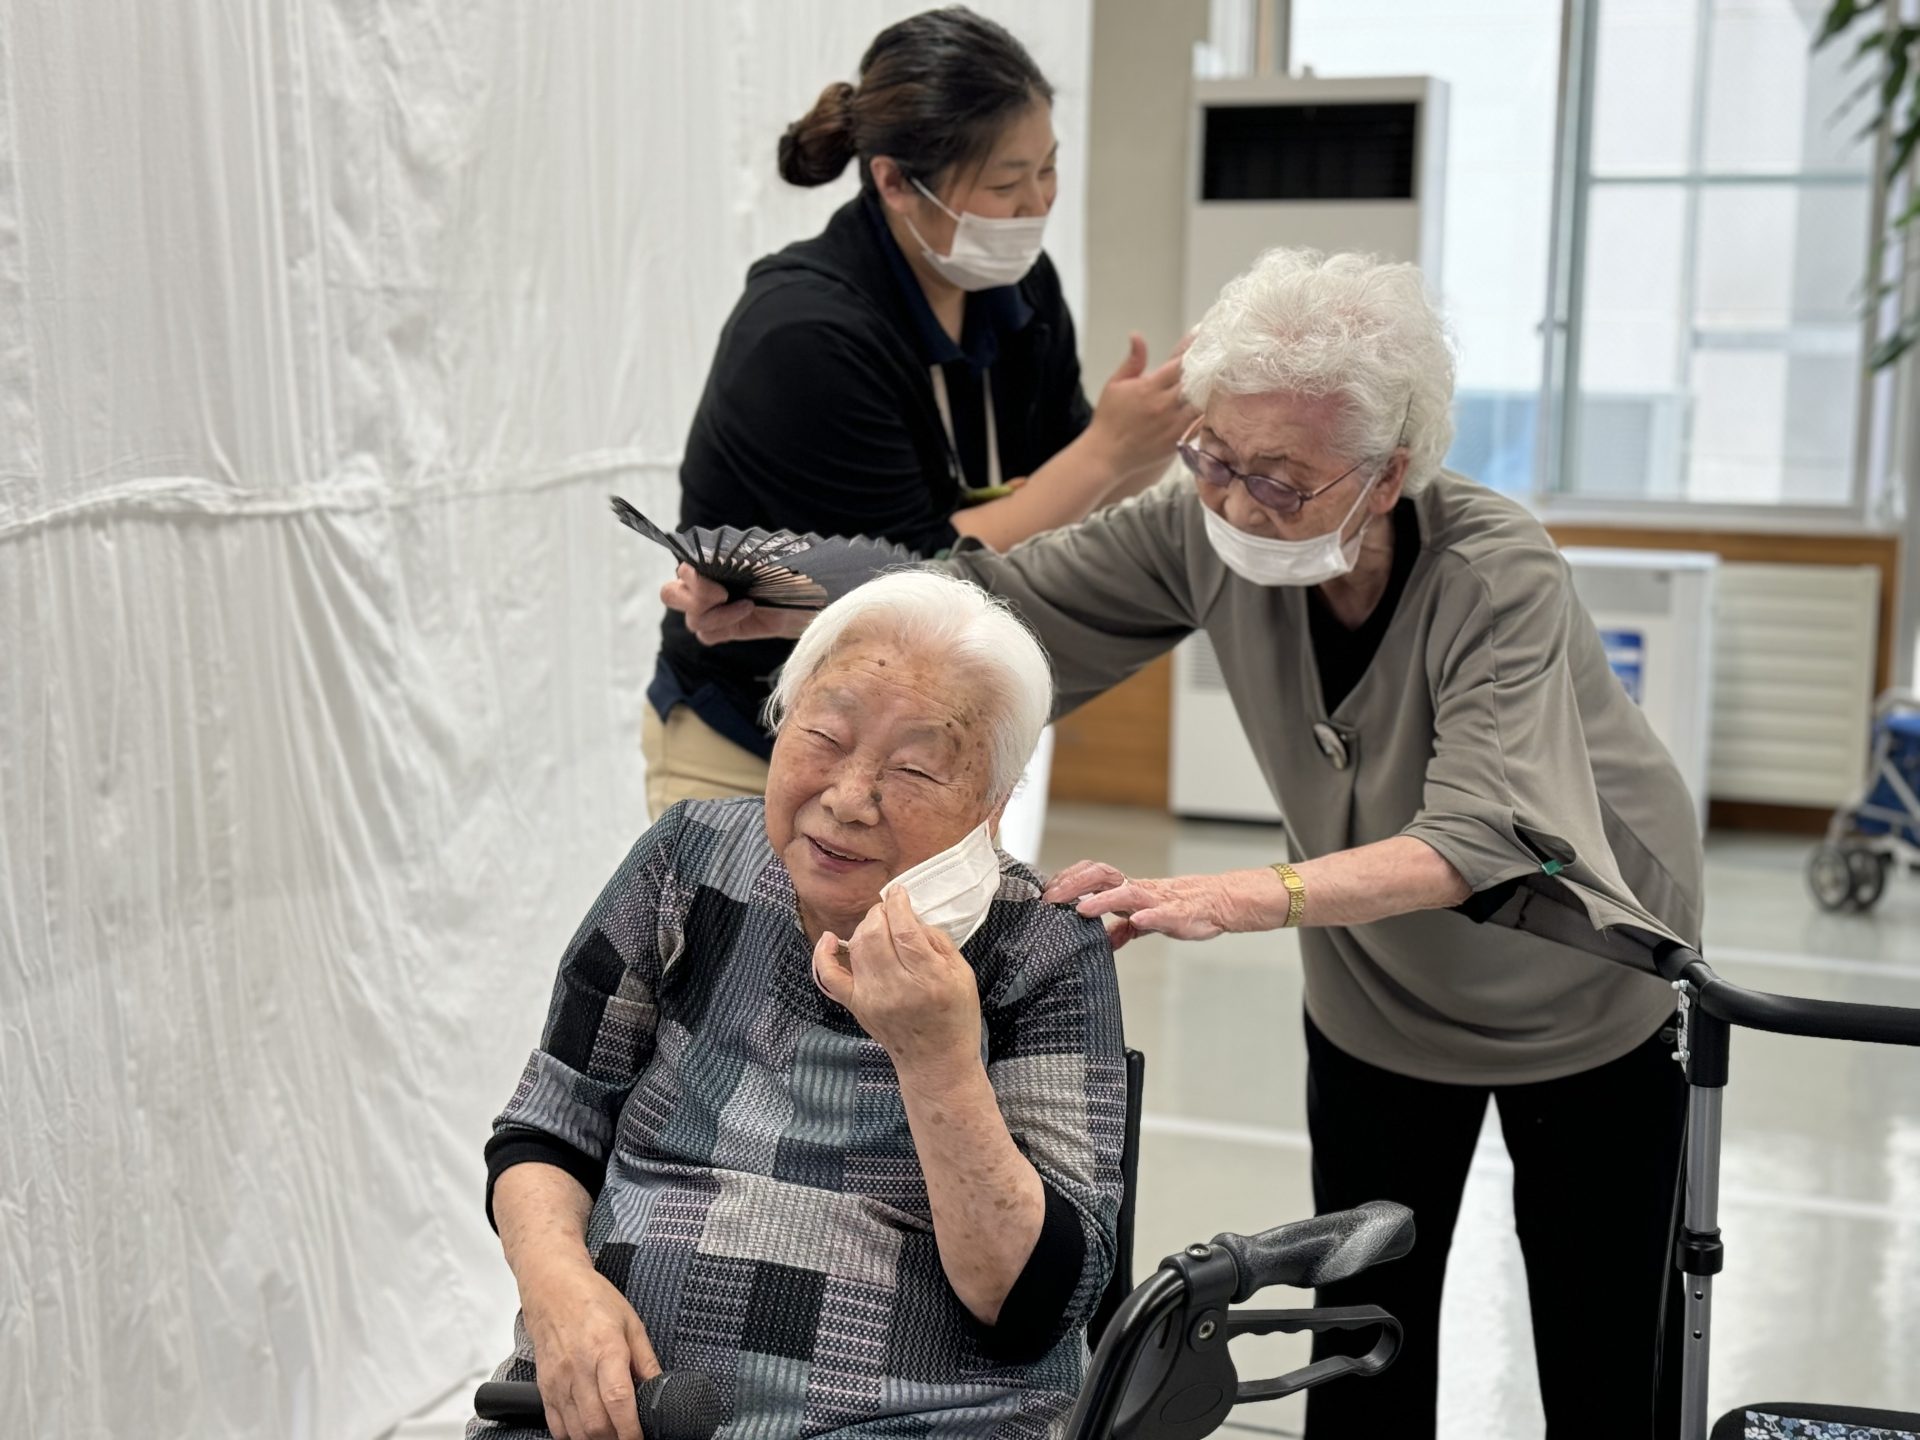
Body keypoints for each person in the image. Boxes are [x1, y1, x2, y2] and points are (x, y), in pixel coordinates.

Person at [664, 248, 1704, 1439]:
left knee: (1602, 1345)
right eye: (1215, 457)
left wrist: (1227, 898)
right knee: (1365, 1339)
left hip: (1585, 987)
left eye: (1284, 479)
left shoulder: (1494, 570)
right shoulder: (1202, 527)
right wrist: (791, 601)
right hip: (1377, 988)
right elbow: (995, 601)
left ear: (1389, 472)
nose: (1239, 501)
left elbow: (1476, 838)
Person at [474, 571, 1126, 1440]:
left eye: (916, 769)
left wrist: (937, 1060)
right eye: (825, 734)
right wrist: (559, 1291)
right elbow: (551, 1124)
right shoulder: (687, 859)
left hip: (912, 1418)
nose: (849, 800)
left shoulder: (1041, 945)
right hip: (628, 1400)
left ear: (993, 807)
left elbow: (1038, 1305)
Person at [644, 5, 1191, 818]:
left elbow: (1056, 497)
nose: (1036, 204)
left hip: (930, 740)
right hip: (762, 747)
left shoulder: (1020, 290)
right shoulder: (804, 336)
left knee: (930, 950)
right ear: (894, 180)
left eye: (1048, 169)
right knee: (767, 949)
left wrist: (1155, 433)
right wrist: (1109, 452)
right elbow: (916, 583)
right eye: (1007, 183)